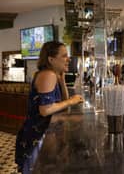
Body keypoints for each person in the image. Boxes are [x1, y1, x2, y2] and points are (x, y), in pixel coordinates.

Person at [15, 41, 84, 173]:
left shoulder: (52, 74)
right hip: (37, 138)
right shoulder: (48, 75)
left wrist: (62, 80)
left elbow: (62, 102)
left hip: (39, 135)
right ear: (51, 59)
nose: (68, 59)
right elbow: (45, 110)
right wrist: (72, 101)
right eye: (64, 56)